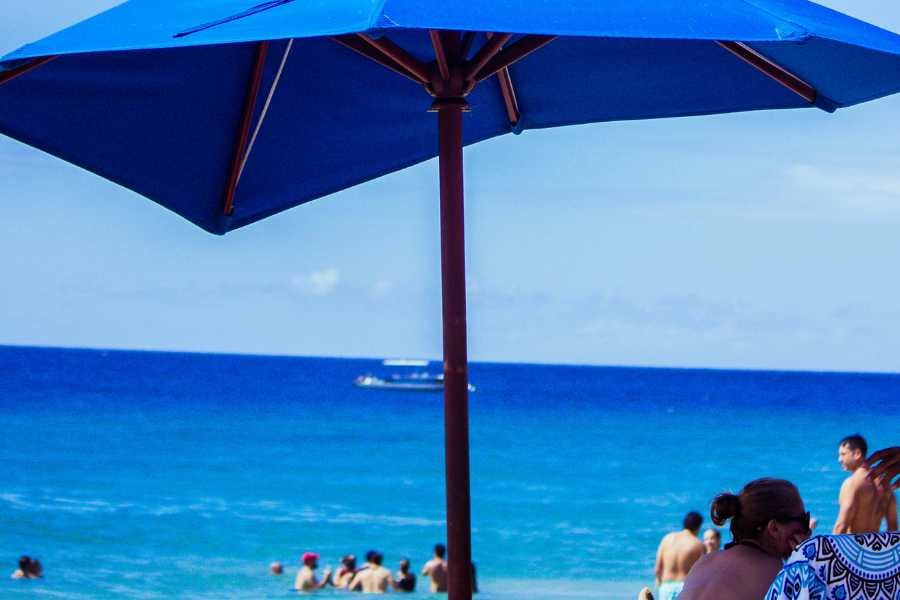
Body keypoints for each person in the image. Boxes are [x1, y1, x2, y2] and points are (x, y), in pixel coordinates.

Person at [678, 478, 811, 600]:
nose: (808, 530)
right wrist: (808, 561)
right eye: (804, 520)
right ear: (774, 528)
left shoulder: (704, 562)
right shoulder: (777, 574)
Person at [834, 434, 898, 533]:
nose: (839, 460)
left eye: (843, 454)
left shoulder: (852, 484)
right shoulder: (885, 484)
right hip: (874, 547)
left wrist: (831, 548)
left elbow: (841, 526)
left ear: (857, 454)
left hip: (853, 546)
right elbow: (893, 527)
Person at [654, 511, 705, 600]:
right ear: (698, 527)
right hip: (685, 587)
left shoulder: (667, 539)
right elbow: (702, 573)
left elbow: (658, 569)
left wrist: (660, 585)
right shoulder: (698, 544)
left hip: (666, 586)